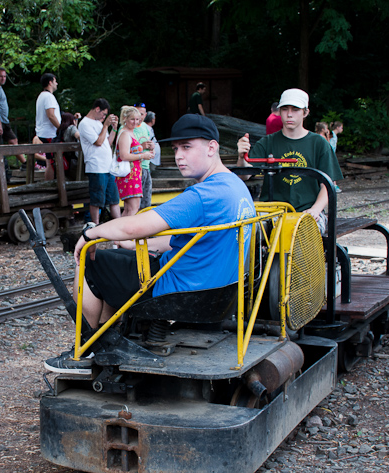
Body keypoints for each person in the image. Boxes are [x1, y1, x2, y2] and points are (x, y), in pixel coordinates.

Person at [43, 115, 256, 371]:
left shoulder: (203, 195)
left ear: (212, 148)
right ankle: (110, 338)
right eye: (176, 148)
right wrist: (138, 245)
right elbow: (195, 240)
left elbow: (135, 225)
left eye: (187, 147)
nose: (178, 156)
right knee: (119, 260)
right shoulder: (236, 187)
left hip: (177, 290)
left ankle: (85, 350)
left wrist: (92, 234)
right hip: (217, 292)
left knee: (91, 260)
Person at [236, 88, 344, 231]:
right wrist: (241, 156)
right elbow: (244, 175)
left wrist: (316, 209)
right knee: (245, 231)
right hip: (271, 212)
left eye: (295, 109)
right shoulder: (267, 142)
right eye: (285, 109)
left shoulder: (319, 143)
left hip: (306, 211)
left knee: (304, 234)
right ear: (279, 112)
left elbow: (329, 184)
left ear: (305, 112)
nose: (289, 114)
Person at [78, 98, 121, 225]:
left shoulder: (98, 123)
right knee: (97, 200)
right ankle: (95, 226)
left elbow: (107, 143)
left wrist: (114, 128)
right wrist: (106, 125)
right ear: (97, 109)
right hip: (96, 167)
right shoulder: (85, 124)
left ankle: (119, 226)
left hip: (108, 167)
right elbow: (98, 142)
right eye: (103, 113)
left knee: (114, 199)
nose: (104, 116)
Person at [114, 105, 154, 217]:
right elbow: (124, 155)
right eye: (132, 119)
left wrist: (149, 152)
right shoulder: (125, 133)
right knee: (133, 208)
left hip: (134, 173)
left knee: (129, 209)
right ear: (125, 119)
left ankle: (121, 233)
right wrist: (143, 155)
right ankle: (129, 233)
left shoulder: (131, 132)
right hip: (129, 175)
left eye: (137, 119)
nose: (135, 122)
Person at [0, 67, 26, 167]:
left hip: (3, 120)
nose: (3, 78)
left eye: (4, 76)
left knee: (13, 140)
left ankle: (24, 163)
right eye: (0, 76)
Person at [35, 73, 62, 180]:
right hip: (49, 134)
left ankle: (50, 182)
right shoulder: (48, 97)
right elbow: (51, 115)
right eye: (55, 81)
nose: (57, 83)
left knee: (49, 161)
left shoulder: (41, 96)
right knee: (51, 162)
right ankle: (50, 184)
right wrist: (61, 129)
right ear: (50, 82)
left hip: (43, 133)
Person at [132, 103, 154, 210]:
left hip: (146, 166)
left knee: (146, 200)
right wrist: (142, 146)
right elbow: (124, 151)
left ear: (145, 115)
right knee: (135, 202)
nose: (139, 117)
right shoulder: (128, 127)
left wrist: (152, 148)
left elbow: (149, 142)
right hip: (134, 167)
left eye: (141, 114)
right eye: (137, 113)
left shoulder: (146, 127)